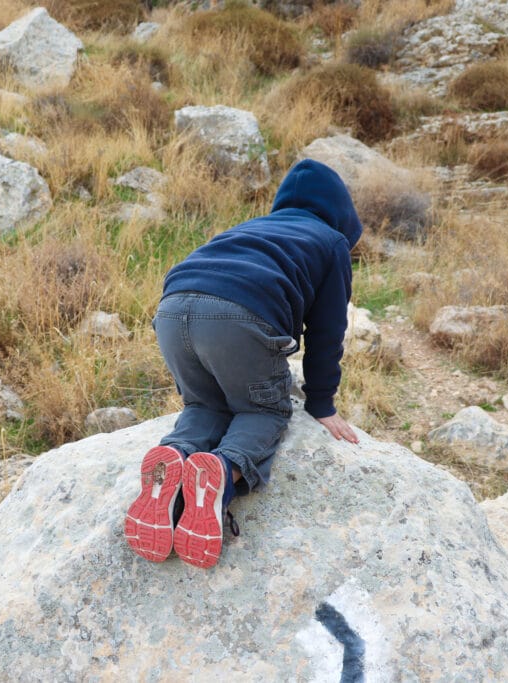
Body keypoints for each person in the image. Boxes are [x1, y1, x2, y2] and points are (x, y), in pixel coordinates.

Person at [124, 159, 363, 569]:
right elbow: (327, 331)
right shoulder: (330, 241)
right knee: (263, 409)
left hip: (172, 308)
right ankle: (222, 471)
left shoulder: (250, 227)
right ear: (341, 214)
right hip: (239, 316)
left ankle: (174, 461)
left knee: (205, 406)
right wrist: (321, 403)